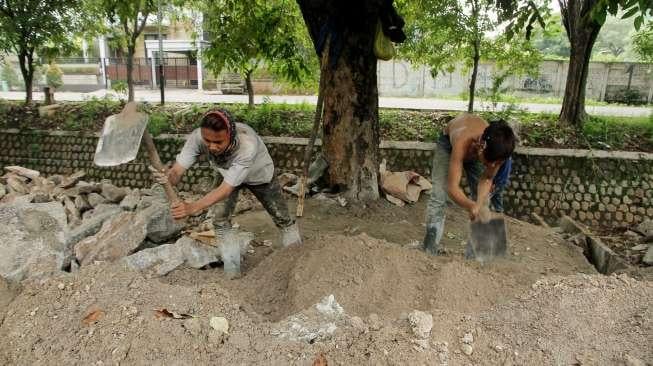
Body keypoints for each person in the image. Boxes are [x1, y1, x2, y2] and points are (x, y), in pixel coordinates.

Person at [150, 109, 302, 276]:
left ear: (231, 135)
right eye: (207, 141)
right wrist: (167, 176)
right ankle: (233, 273)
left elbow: (225, 189)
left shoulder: (247, 144)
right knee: (220, 222)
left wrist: (192, 207)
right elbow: (177, 172)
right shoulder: (197, 138)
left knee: (283, 219)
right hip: (227, 174)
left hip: (260, 176)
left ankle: (297, 267)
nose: (212, 147)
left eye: (218, 142)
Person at [423, 113, 516, 256]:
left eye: (497, 163)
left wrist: (478, 203)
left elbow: (486, 179)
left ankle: (477, 255)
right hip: (448, 143)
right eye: (490, 162)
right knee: (438, 195)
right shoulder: (462, 141)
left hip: (480, 150)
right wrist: (470, 206)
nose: (492, 166)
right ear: (481, 147)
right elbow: (452, 187)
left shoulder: (497, 152)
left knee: (484, 202)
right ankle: (429, 250)